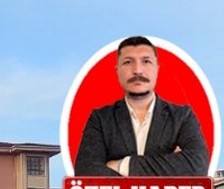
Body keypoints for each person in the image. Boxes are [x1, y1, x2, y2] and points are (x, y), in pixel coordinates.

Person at [74, 36, 209, 177]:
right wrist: (170, 166)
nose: (137, 70)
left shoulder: (182, 116)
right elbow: (86, 171)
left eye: (146, 61)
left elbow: (197, 165)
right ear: (117, 70)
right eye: (128, 62)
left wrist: (123, 165)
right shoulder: (100, 119)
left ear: (157, 69)